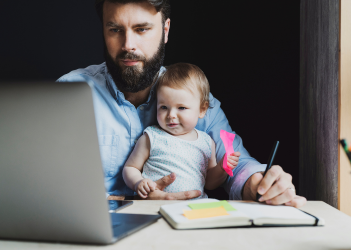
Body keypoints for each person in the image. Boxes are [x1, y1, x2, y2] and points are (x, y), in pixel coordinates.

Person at [57, 0, 306, 207]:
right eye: (114, 29)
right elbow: (42, 181)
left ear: (165, 30)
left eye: (142, 29)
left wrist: (257, 182)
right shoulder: (67, 94)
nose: (128, 45)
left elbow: (237, 162)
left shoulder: (195, 99)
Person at [123, 63, 241, 199]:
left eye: (181, 108)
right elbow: (130, 168)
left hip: (194, 209)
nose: (171, 115)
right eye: (164, 107)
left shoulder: (207, 143)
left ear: (202, 110)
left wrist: (221, 168)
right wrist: (138, 182)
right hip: (155, 205)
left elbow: (209, 183)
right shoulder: (152, 136)